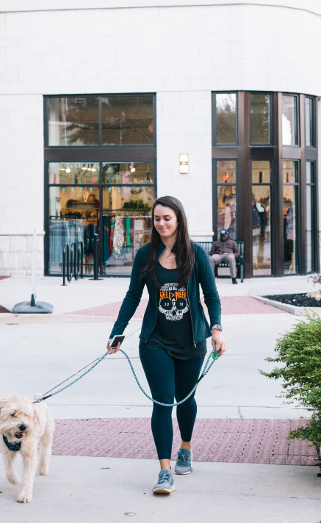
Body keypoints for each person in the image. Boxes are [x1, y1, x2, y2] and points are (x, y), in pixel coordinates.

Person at [106, 195, 225, 495]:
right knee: (162, 402)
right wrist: (117, 331)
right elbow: (133, 296)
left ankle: (185, 447)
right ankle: (164, 470)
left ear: (178, 220)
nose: (161, 223)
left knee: (185, 399)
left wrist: (217, 329)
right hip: (154, 341)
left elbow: (211, 296)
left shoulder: (196, 254)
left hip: (192, 340)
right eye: (157, 219)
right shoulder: (145, 255)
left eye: (166, 218)